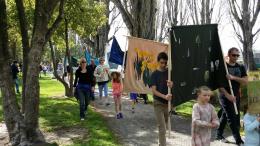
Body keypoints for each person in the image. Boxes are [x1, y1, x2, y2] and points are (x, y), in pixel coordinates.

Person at [216, 47, 248, 145]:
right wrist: (227, 95)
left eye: (237, 55)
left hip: (236, 95)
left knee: (225, 115)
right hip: (224, 95)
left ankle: (218, 134)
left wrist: (233, 77)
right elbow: (219, 84)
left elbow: (245, 81)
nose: (236, 57)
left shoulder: (241, 67)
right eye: (234, 55)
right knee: (231, 117)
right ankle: (239, 140)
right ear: (229, 54)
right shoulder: (223, 67)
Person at [150, 52, 173, 146]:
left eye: (165, 63)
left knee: (164, 126)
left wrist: (172, 85)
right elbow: (154, 91)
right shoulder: (154, 74)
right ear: (158, 61)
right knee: (162, 128)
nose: (163, 65)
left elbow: (174, 87)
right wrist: (165, 96)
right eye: (161, 62)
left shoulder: (169, 73)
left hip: (167, 104)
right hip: (158, 103)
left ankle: (160, 142)